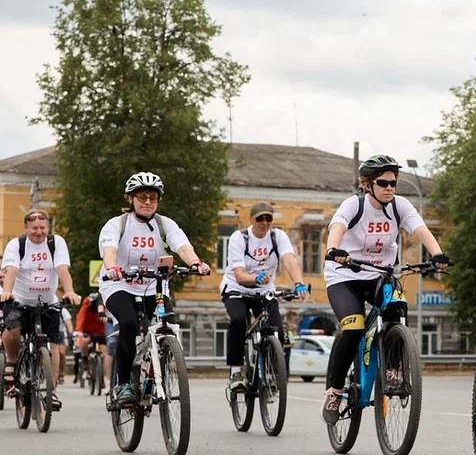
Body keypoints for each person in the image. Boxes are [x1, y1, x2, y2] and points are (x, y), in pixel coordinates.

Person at [320, 155, 449, 424]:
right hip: (345, 275)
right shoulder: (353, 205)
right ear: (368, 184)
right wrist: (333, 250)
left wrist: (437, 254)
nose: (390, 188)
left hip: (380, 274)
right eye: (383, 183)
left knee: (397, 305)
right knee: (353, 327)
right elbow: (337, 227)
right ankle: (334, 390)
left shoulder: (399, 206)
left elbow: (421, 230)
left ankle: (393, 369)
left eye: (394, 183)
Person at [98, 172, 210, 407]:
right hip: (119, 284)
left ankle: (158, 366)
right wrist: (112, 267)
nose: (148, 201)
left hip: (153, 285)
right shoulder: (116, 224)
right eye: (142, 197)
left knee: (167, 323)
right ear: (131, 199)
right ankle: (123, 384)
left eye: (153, 197)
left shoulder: (164, 223)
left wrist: (196, 264)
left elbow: (182, 245)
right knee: (128, 324)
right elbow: (109, 250)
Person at [221, 201, 310, 393]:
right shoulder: (239, 238)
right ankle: (236, 371)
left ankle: (270, 374)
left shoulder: (278, 237)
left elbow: (288, 258)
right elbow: (239, 275)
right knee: (238, 321)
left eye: (268, 218)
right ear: (252, 220)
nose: (264, 222)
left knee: (276, 331)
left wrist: (299, 282)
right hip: (237, 289)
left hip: (264, 292)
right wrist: (254, 278)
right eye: (260, 218)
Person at [1, 210, 82, 408]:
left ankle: (50, 391)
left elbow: (62, 269)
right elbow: (11, 271)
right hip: (19, 300)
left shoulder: (56, 243)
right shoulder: (16, 245)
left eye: (42, 228)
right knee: (12, 331)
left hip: (48, 302)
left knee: (52, 344)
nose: (39, 232)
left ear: (48, 227)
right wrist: (7, 292)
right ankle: (12, 362)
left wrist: (70, 291)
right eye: (34, 228)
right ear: (26, 228)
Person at [74, 292, 108, 382]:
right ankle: (85, 363)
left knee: (104, 352)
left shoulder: (104, 303)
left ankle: (103, 377)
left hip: (100, 330)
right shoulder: (87, 303)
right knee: (84, 342)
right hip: (87, 329)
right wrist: (79, 331)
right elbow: (81, 316)